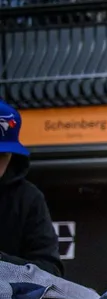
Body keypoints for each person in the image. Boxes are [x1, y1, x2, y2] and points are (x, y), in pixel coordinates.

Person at [0, 99, 63, 277]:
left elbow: (51, 271)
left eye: (1, 155)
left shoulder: (28, 198)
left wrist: (3, 263)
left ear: (12, 155)